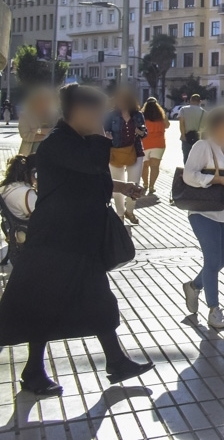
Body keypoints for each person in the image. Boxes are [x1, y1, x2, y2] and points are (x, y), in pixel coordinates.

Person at [0, 84, 152, 396]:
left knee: (98, 301)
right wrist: (99, 132)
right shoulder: (57, 142)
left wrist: (123, 188)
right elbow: (93, 163)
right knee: (42, 305)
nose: (100, 118)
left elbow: (93, 176)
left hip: (79, 240)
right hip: (54, 241)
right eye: (94, 113)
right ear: (77, 112)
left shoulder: (78, 142)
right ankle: (33, 372)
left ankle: (116, 361)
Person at [181, 107, 224, 329]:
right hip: (204, 212)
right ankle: (214, 310)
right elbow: (188, 174)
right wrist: (216, 180)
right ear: (215, 126)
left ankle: (194, 286)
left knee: (223, 260)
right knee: (212, 260)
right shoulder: (203, 146)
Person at [105, 89, 147, 224]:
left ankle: (130, 210)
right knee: (118, 184)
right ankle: (120, 214)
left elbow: (145, 132)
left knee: (134, 183)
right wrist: (107, 136)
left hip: (135, 152)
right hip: (115, 152)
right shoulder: (111, 115)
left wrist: (141, 132)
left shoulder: (138, 115)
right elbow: (104, 130)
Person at [18, 86, 58, 155]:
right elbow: (25, 135)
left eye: (46, 100)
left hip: (51, 152)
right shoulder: (25, 115)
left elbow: (57, 132)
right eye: (40, 100)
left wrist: (35, 131)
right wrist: (45, 132)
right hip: (30, 153)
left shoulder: (55, 114)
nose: (43, 103)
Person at [140, 97, 167, 196]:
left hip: (145, 144)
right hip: (159, 144)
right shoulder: (161, 116)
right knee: (155, 166)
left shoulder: (142, 116)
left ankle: (145, 184)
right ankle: (152, 186)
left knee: (144, 165)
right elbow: (167, 125)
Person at [0, 154, 37, 220]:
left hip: (17, 230)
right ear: (34, 173)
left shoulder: (8, 189)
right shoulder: (26, 193)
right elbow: (44, 217)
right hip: (27, 229)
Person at [178, 94, 205, 161]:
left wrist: (183, 135)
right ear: (200, 102)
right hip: (198, 139)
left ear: (190, 100)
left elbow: (181, 123)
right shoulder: (204, 112)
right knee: (198, 159)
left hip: (186, 137)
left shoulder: (183, 109)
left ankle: (187, 170)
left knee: (186, 158)